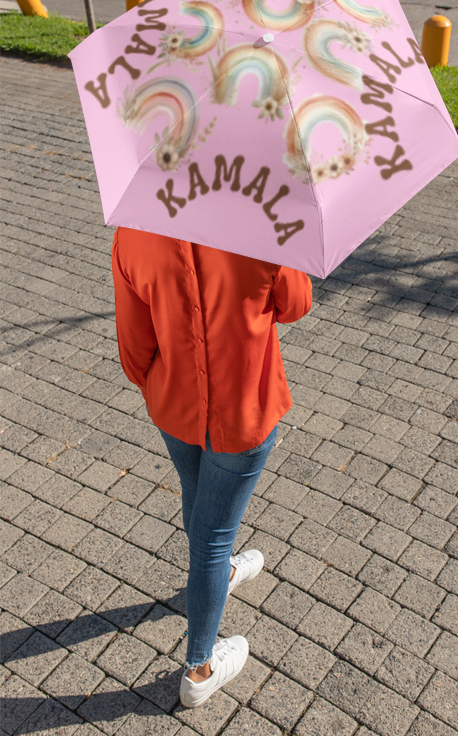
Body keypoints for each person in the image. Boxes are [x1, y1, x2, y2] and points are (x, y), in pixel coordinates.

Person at [111, 227, 312, 707]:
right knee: (212, 536)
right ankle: (199, 668)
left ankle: (215, 574)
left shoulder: (134, 231)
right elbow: (298, 303)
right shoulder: (263, 225)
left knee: (199, 500)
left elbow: (133, 350)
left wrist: (163, 384)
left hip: (174, 406)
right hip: (245, 411)